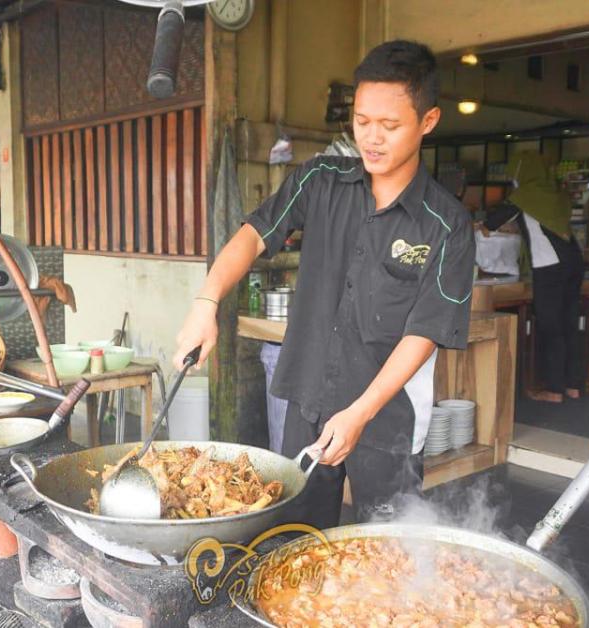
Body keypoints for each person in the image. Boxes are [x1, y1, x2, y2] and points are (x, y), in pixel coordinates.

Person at [173, 40, 475, 530]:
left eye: (390, 125)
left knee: (388, 552)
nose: (372, 138)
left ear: (429, 121)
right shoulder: (321, 179)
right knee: (296, 539)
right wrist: (205, 302)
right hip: (309, 398)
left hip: (388, 416)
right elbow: (252, 236)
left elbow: (425, 332)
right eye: (361, 122)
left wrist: (359, 413)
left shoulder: (446, 224)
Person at [482, 151, 584, 403]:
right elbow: (542, 224)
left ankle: (553, 390)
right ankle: (572, 385)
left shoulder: (524, 196)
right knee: (569, 323)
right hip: (573, 262)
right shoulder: (555, 193)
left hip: (548, 266)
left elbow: (491, 223)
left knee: (551, 328)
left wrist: (485, 226)